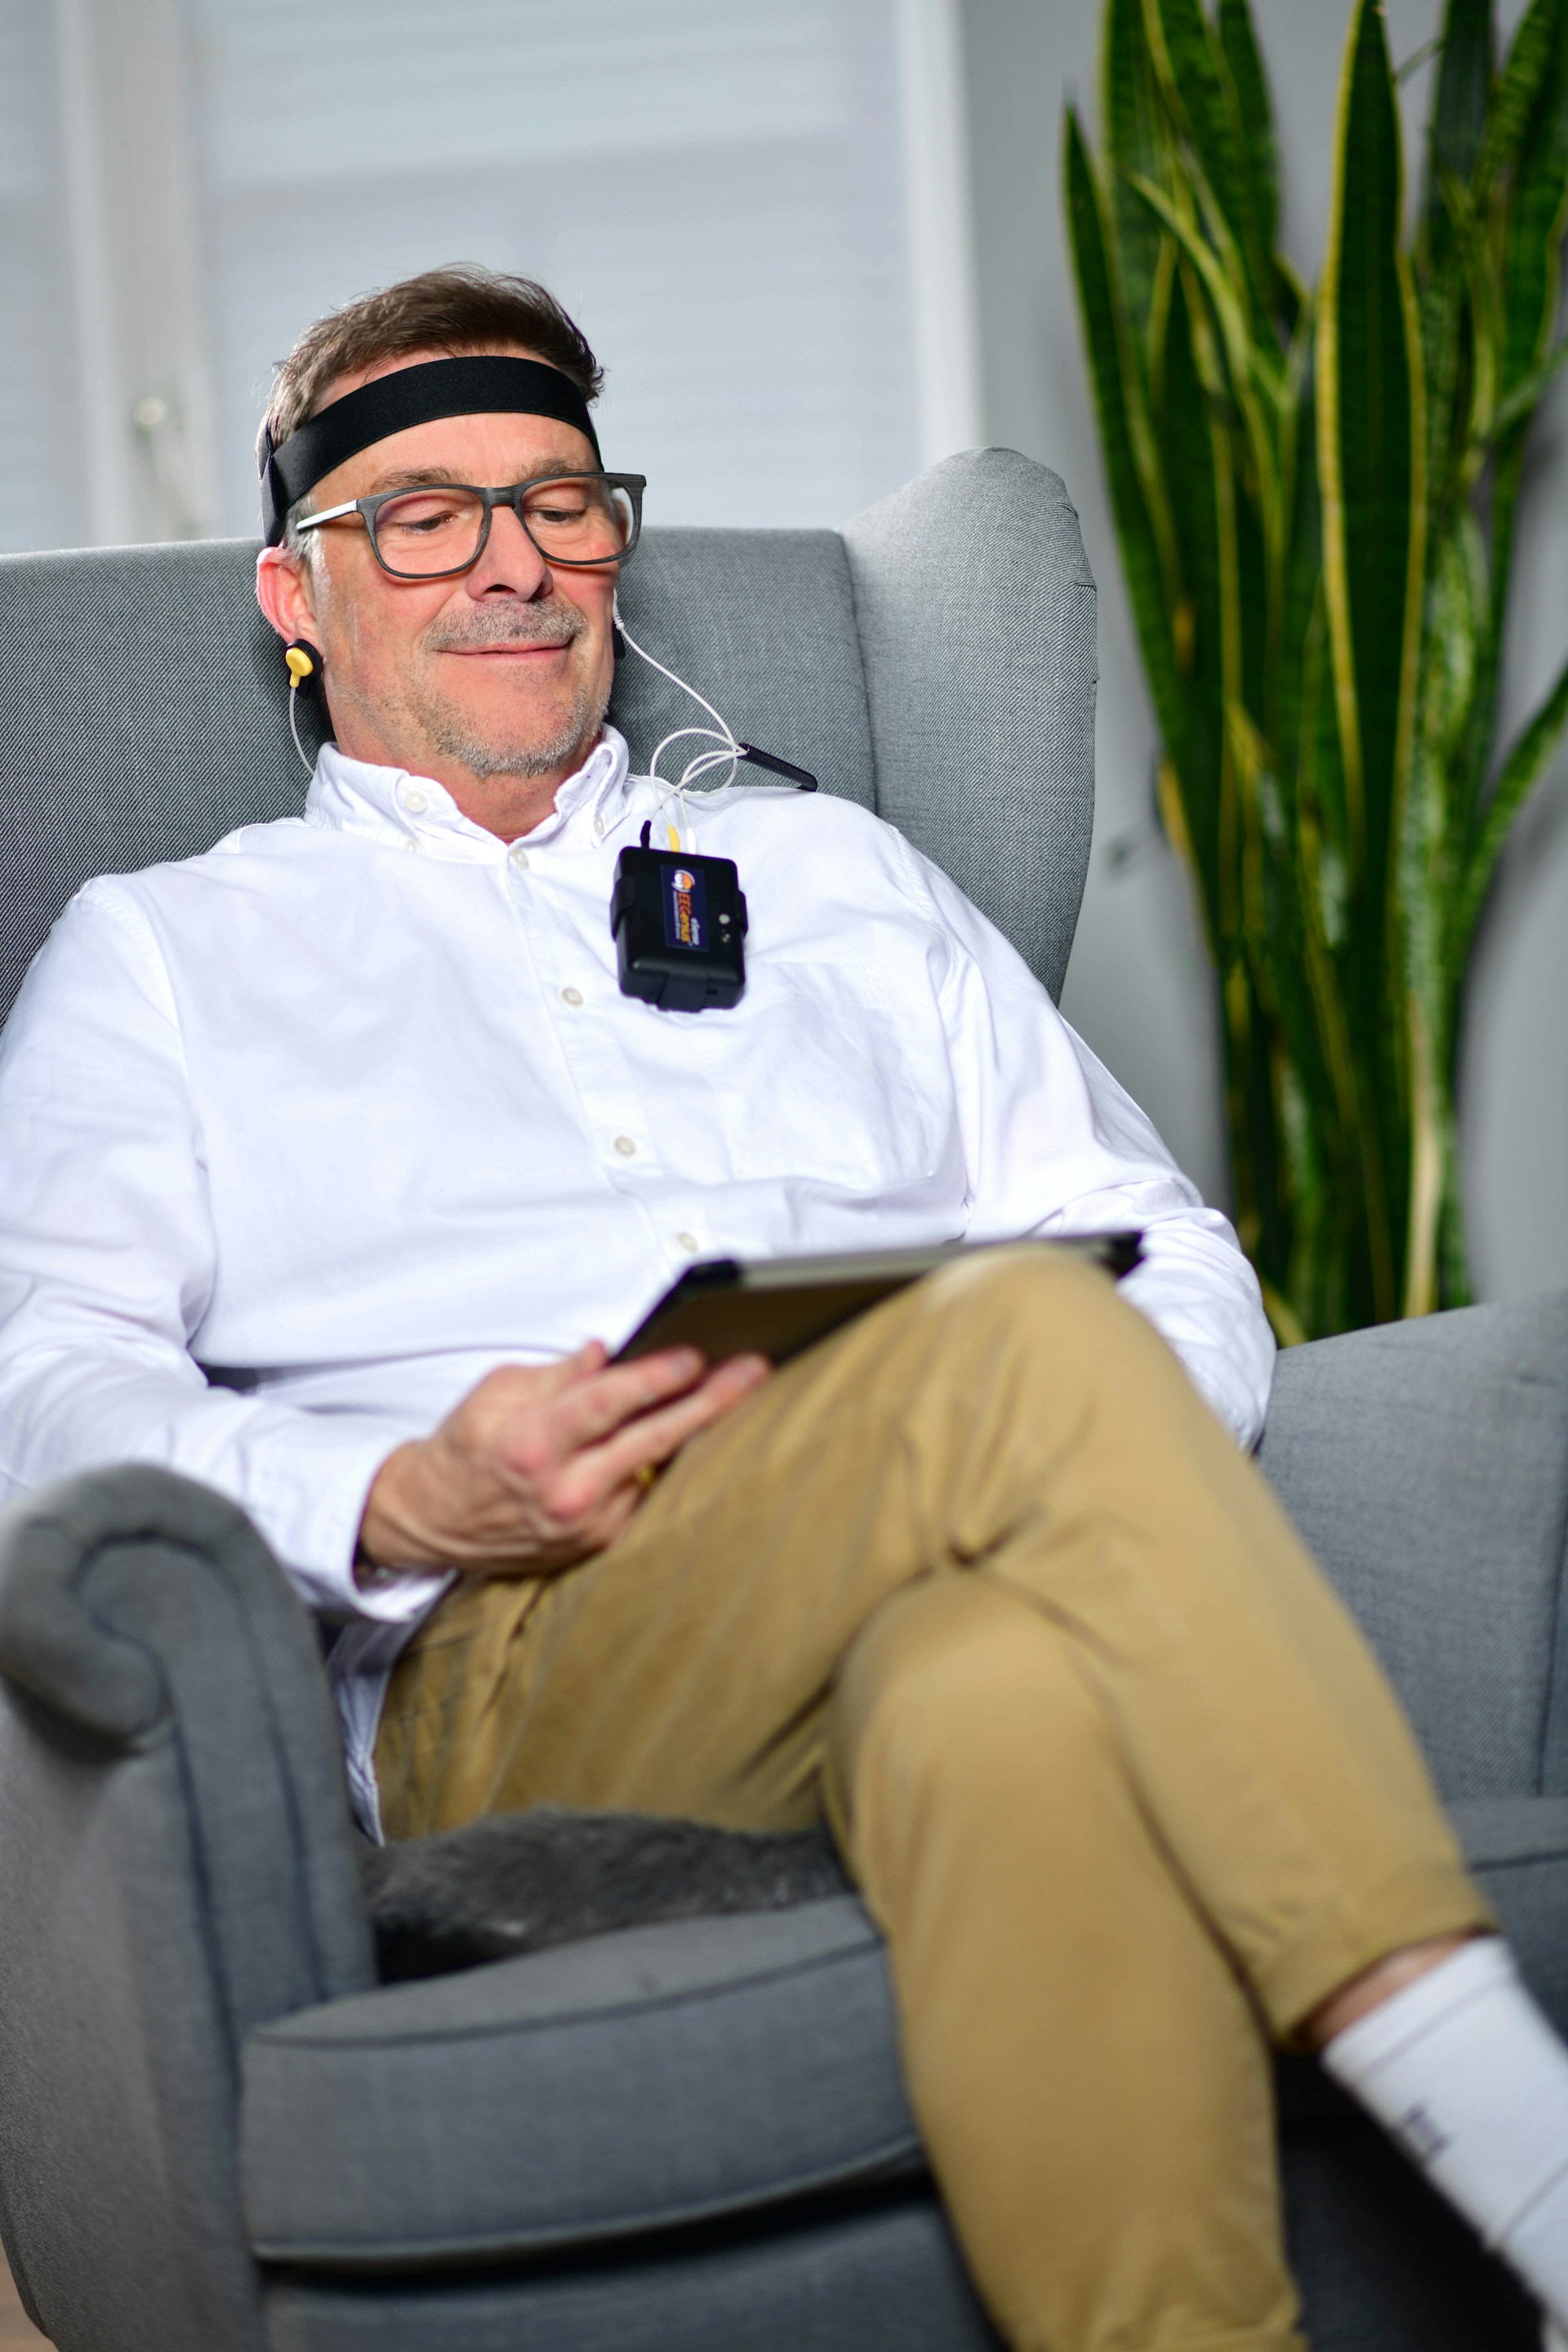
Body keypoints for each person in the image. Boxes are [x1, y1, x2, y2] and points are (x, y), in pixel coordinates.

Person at [0, 263, 1563, 2352]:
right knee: (1012, 1328)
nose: (513, 566)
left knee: (994, 1686)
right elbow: (38, 1384)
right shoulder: (170, 954)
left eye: (561, 502)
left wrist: (1007, 1456)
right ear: (300, 594)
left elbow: (1158, 1242)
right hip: (524, 1641)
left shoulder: (842, 878)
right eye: (422, 517)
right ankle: (1514, 2138)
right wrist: (398, 1491)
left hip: (945, 1567)